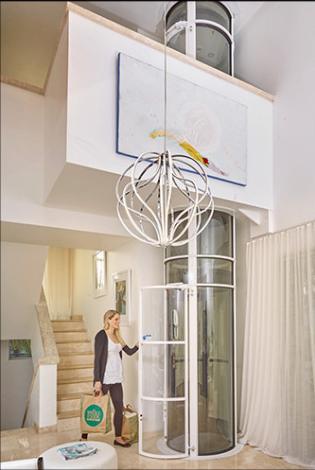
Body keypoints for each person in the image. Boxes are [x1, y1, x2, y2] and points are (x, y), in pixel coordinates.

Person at [82, 309, 138, 447]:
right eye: (116, 319)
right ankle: (84, 437)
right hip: (105, 378)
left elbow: (129, 352)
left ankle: (118, 437)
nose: (118, 322)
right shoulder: (101, 336)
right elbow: (97, 359)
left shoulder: (118, 336)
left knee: (119, 408)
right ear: (108, 320)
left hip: (117, 377)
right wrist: (97, 380)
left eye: (119, 319)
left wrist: (139, 344)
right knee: (94, 407)